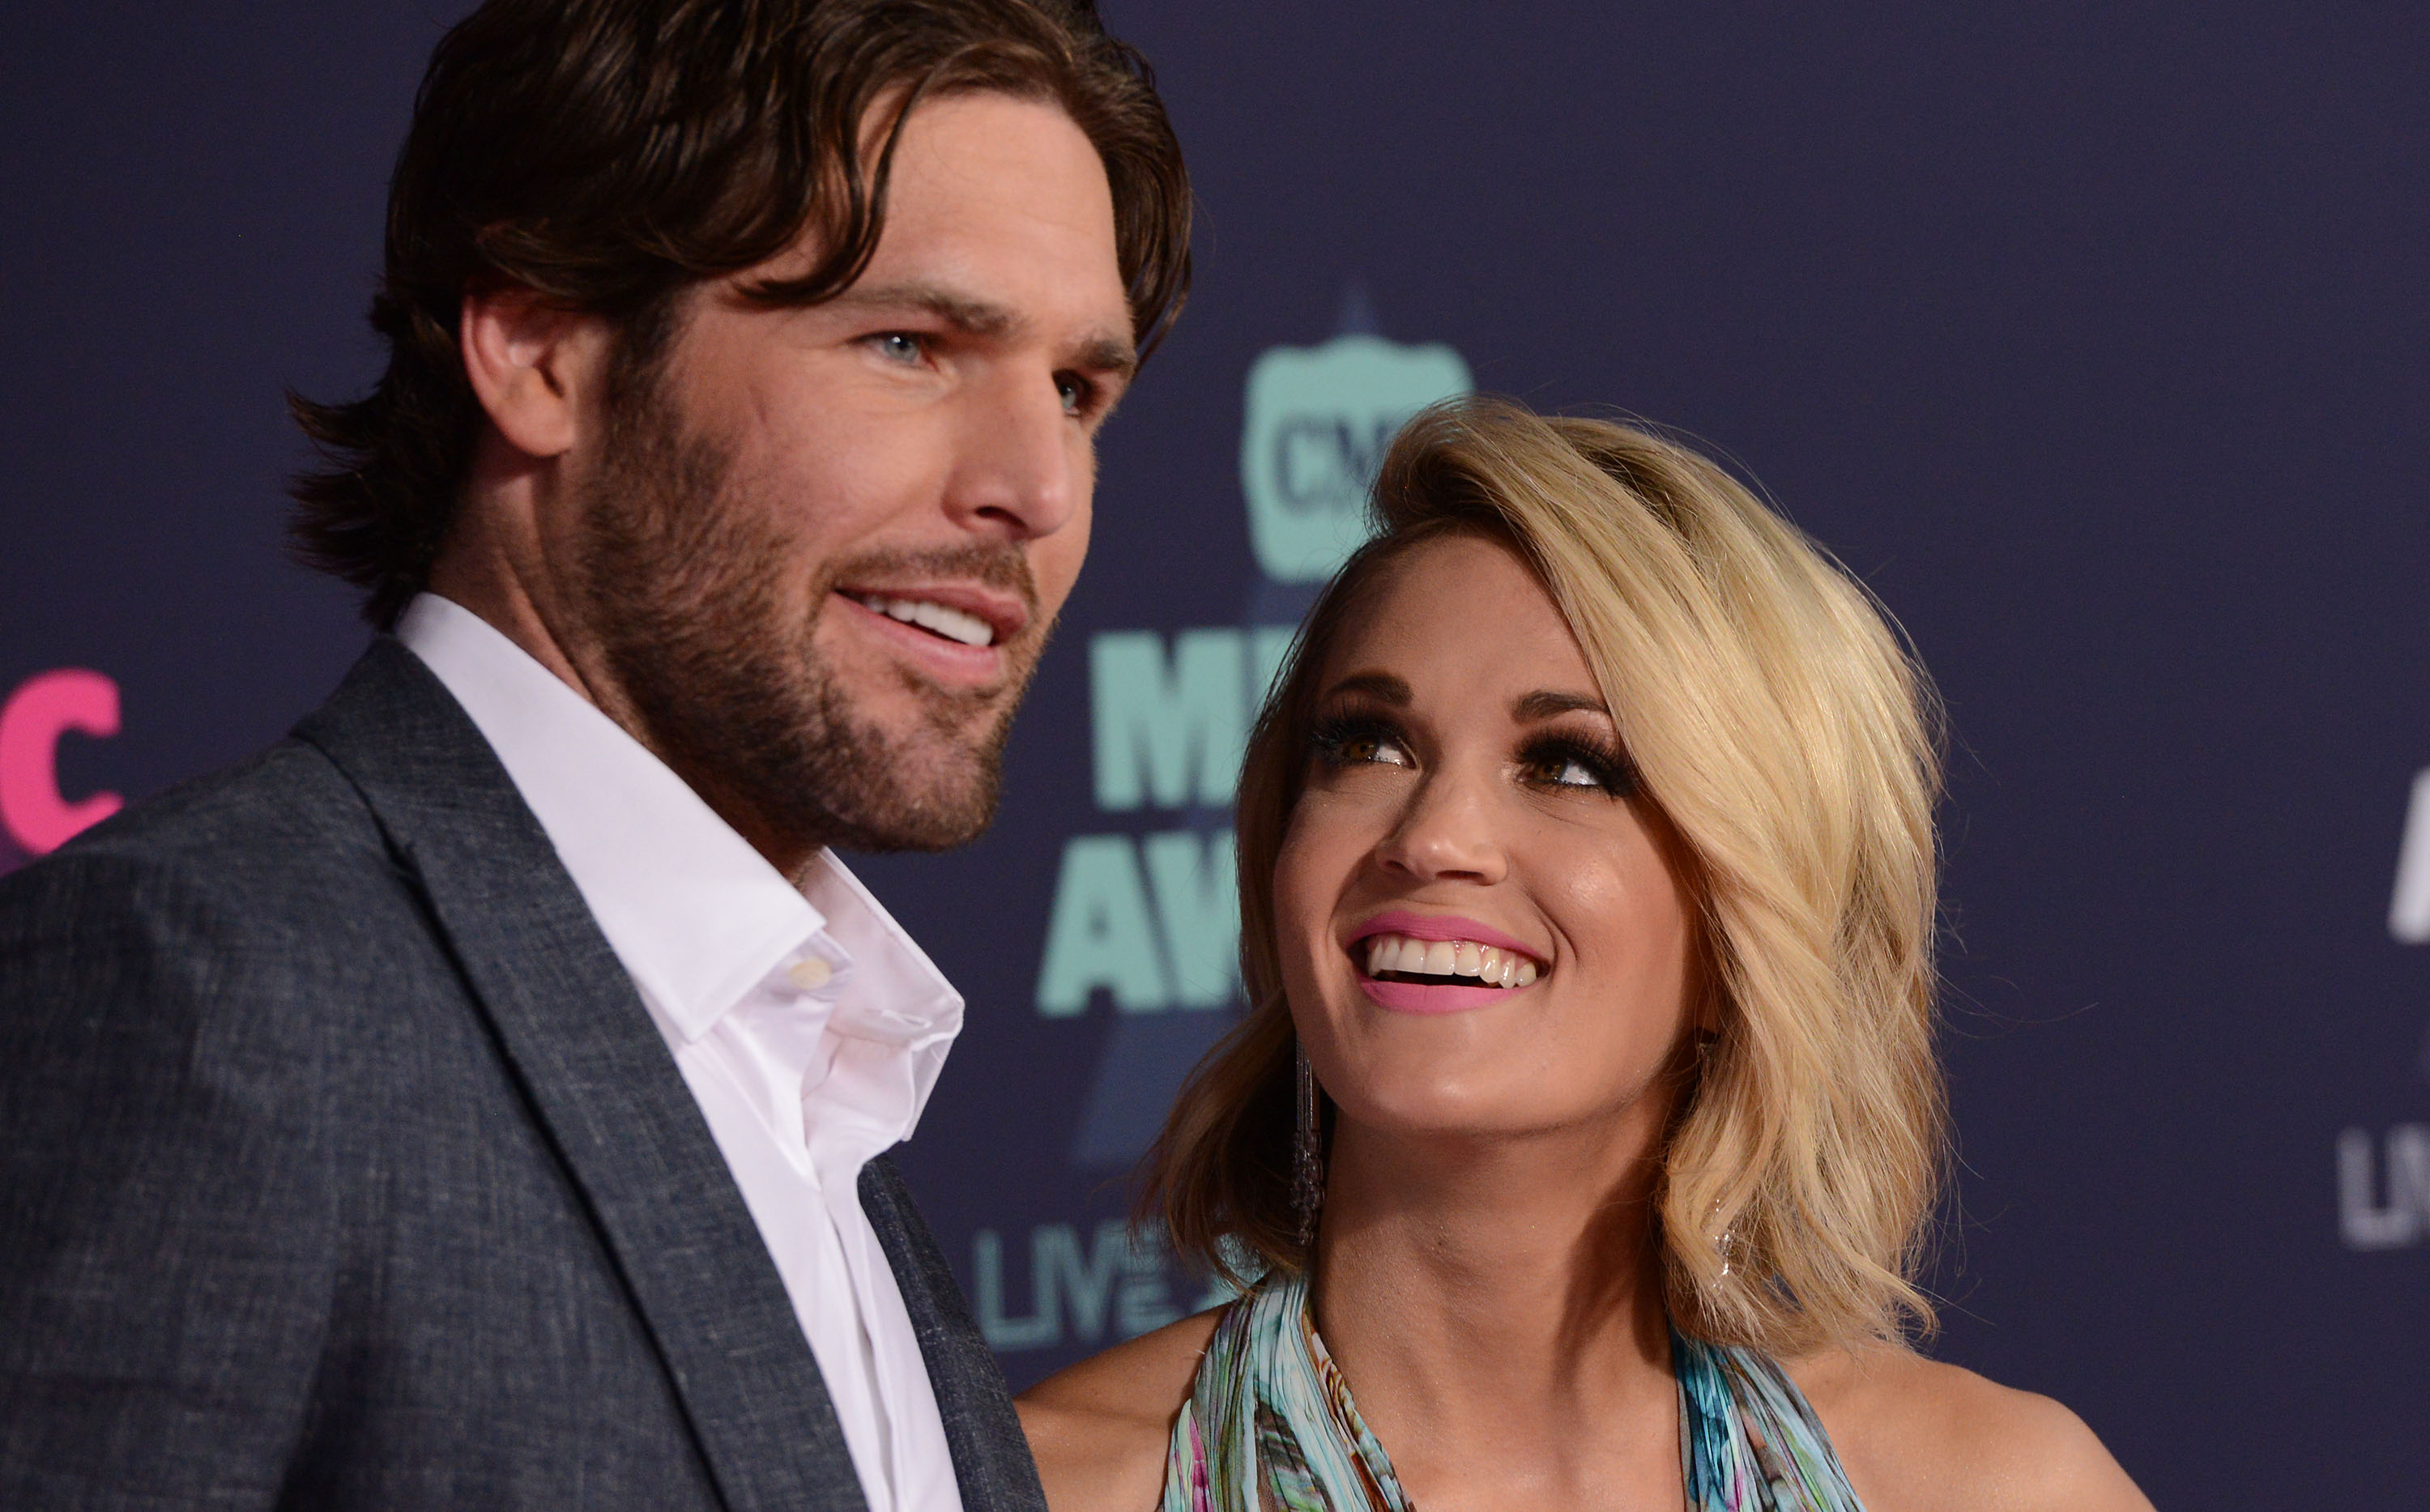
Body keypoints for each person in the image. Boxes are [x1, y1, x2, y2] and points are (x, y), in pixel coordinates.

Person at [0, 2, 1186, 1508]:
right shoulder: (209, 985)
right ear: (541, 348)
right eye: (909, 344)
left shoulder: (806, 1071)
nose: (1035, 488)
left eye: (1080, 394)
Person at [1015, 397, 2152, 1511]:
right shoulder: (1035, 1487)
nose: (1434, 839)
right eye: (1369, 745)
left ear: (1743, 926)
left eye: (1569, 766)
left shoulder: (1987, 1489)